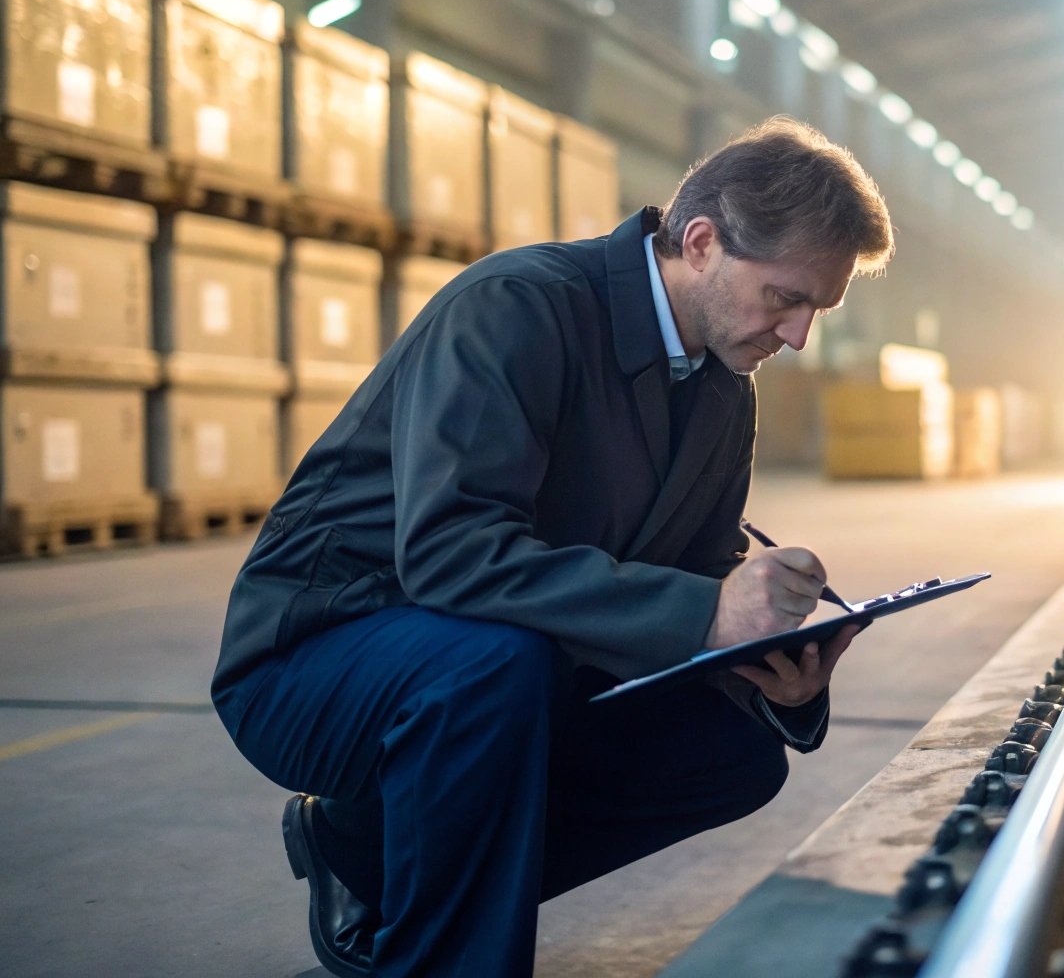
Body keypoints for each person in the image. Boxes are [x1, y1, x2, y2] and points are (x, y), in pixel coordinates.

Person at [210, 116, 894, 977]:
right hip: (322, 655)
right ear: (703, 242)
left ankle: (371, 850)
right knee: (498, 666)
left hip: (504, 664)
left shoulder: (724, 383)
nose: (797, 336)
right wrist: (702, 611)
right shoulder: (518, 307)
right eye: (786, 298)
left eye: (817, 311)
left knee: (732, 754)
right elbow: (451, 552)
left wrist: (768, 651)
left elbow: (693, 569)